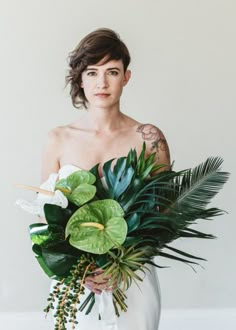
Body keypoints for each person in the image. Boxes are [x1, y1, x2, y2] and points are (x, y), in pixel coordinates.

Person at [41, 28, 170, 330]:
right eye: (92, 72)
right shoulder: (58, 139)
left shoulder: (148, 138)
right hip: (76, 283)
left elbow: (166, 214)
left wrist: (123, 264)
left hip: (132, 277)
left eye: (112, 71)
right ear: (80, 79)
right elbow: (48, 216)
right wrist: (78, 268)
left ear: (126, 77)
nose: (102, 82)